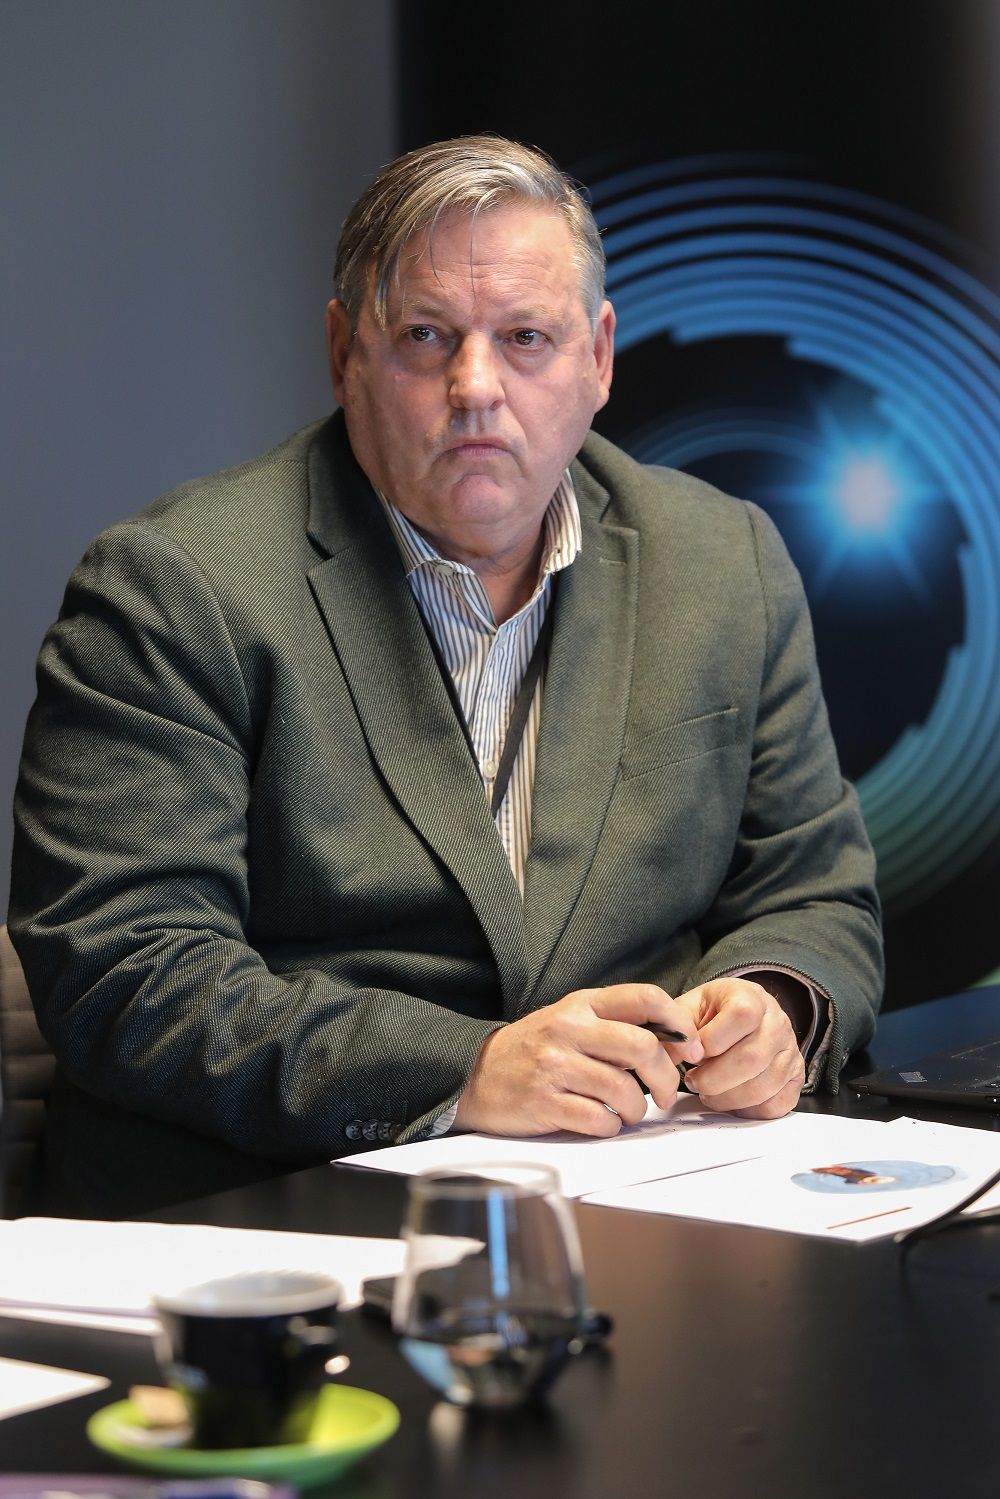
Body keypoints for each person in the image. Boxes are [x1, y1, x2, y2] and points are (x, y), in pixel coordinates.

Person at [8, 135, 883, 1216]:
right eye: (426, 336)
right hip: (269, 1211)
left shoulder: (722, 559)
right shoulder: (173, 586)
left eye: (525, 338)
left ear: (598, 357)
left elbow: (814, 889)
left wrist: (776, 1001)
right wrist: (465, 1069)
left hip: (649, 1189)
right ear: (345, 352)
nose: (476, 387)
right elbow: (127, 970)